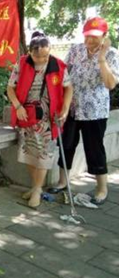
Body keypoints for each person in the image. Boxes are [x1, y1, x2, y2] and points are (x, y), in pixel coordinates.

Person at [48, 17, 119, 205]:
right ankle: (63, 181)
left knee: (94, 148)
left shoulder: (112, 54)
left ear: (104, 36)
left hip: (94, 111)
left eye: (95, 36)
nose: (90, 40)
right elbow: (63, 75)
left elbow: (110, 84)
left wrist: (101, 58)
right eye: (87, 35)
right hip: (70, 107)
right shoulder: (75, 50)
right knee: (67, 144)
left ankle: (102, 188)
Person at [7, 32, 72, 207]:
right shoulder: (22, 64)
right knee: (29, 153)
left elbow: (68, 88)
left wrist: (65, 109)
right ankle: (37, 186)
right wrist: (18, 106)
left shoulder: (58, 66)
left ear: (50, 50)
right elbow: (10, 88)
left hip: (49, 118)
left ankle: (36, 189)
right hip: (27, 115)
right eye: (38, 56)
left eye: (45, 55)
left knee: (44, 154)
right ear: (30, 53)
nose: (42, 60)